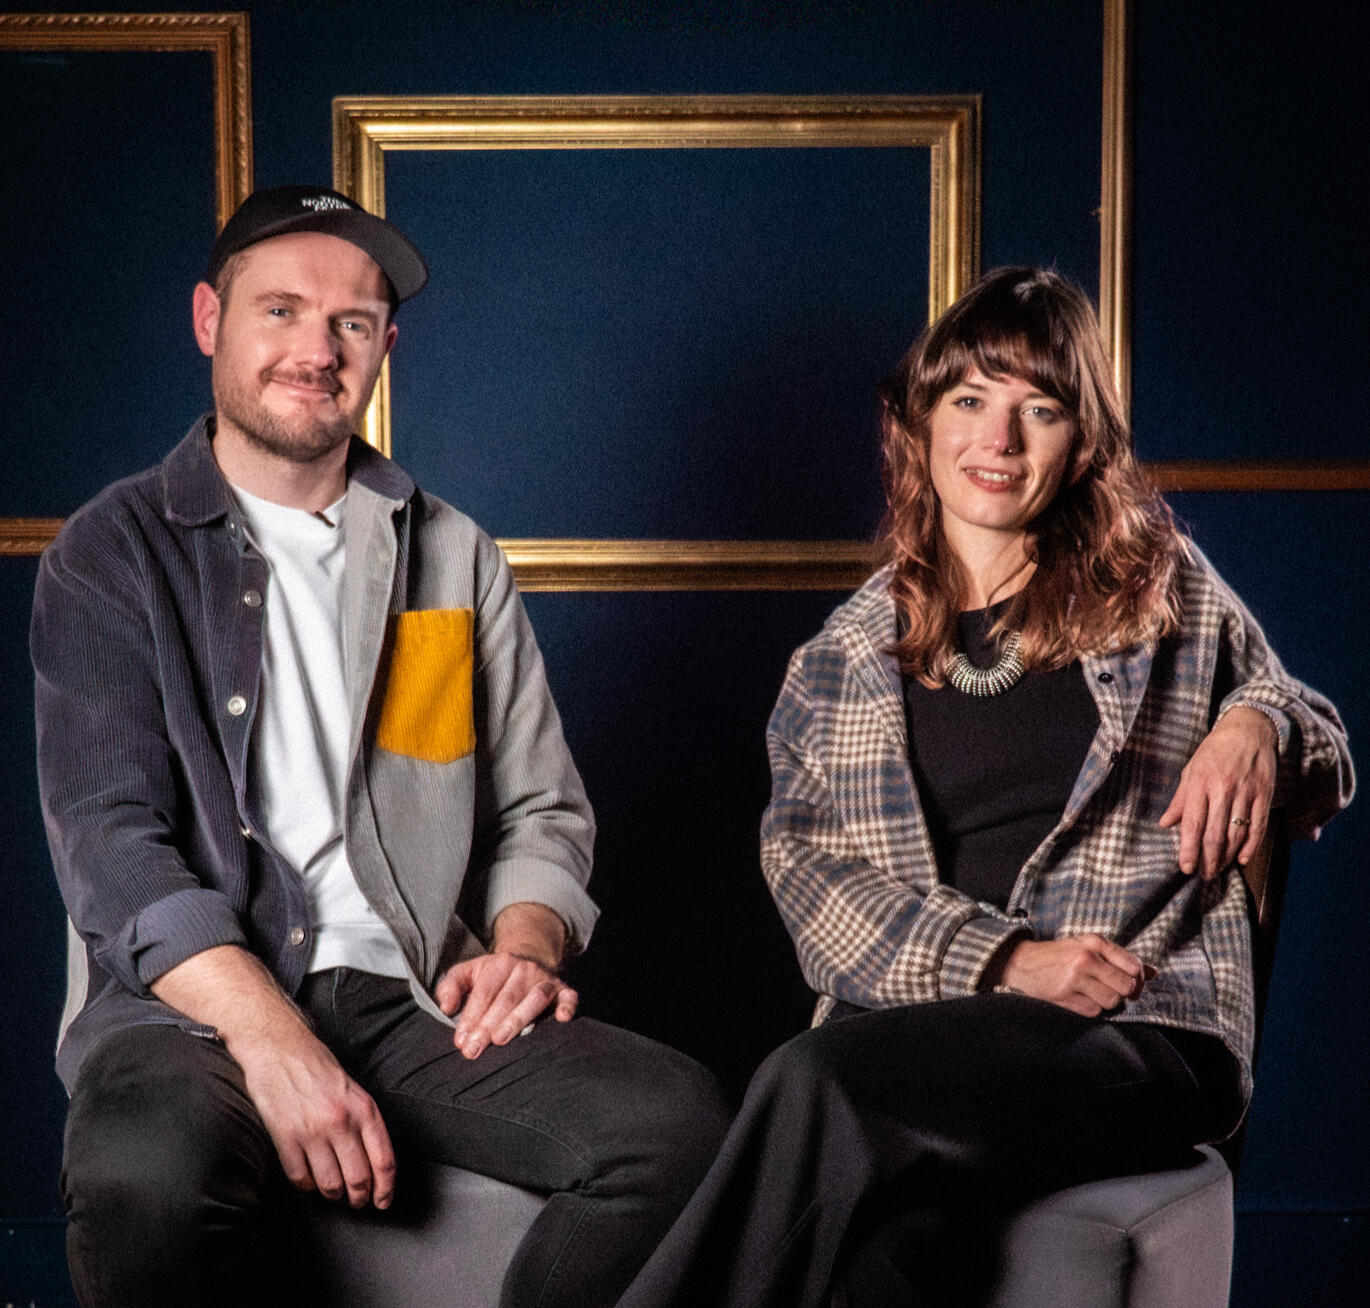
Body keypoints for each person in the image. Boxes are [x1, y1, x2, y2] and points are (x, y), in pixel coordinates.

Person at [32, 185, 729, 1308]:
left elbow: (541, 811)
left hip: (412, 994)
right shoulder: (109, 552)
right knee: (144, 1177)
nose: (317, 351)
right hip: (187, 1007)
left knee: (682, 1130)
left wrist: (525, 947)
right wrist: (273, 1041)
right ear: (210, 321)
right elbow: (113, 846)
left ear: (384, 349)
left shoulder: (452, 554)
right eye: (281, 311)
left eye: (350, 322)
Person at [618, 266, 1354, 1307]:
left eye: (1038, 409)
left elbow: (1321, 748)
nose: (997, 440)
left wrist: (1257, 722)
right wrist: (1004, 961)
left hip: (1136, 1027)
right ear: (918, 424)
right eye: (968, 400)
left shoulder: (1163, 596)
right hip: (919, 1039)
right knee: (883, 1245)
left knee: (808, 1077)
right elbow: (811, 885)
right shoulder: (839, 661)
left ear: (1080, 443)